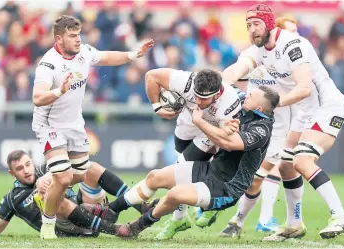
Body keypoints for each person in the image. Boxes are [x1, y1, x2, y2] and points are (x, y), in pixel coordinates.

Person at [222, 4, 344, 241]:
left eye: (257, 24)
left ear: (270, 24)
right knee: (285, 166)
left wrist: (274, 102)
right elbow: (236, 70)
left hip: (327, 106)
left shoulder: (294, 45)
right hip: (305, 114)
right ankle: (294, 224)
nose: (252, 30)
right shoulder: (258, 49)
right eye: (248, 26)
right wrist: (217, 86)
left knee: (302, 160)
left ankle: (340, 215)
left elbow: (304, 88)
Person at [31, 15, 153, 239]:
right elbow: (38, 98)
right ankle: (47, 224)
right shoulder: (48, 64)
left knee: (78, 175)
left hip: (75, 123)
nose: (78, 40)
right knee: (65, 177)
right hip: (50, 125)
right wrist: (59, 91)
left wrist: (133, 54)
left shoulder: (83, 52)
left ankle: (47, 192)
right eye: (72, 36)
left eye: (78, 35)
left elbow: (106, 56)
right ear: (59, 39)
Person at [113, 86, 279, 238]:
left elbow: (229, 143)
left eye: (251, 96)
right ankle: (112, 210)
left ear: (259, 108)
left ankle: (136, 227)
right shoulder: (242, 103)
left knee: (175, 194)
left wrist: (199, 121)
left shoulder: (261, 129)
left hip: (226, 187)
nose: (246, 95)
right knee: (154, 177)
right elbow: (224, 81)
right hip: (210, 169)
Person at [120, 68, 244, 240]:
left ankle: (179, 218)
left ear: (216, 95)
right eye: (196, 96)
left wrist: (200, 122)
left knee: (180, 170)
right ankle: (193, 213)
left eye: (204, 98)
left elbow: (225, 140)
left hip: (209, 133)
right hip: (184, 127)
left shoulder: (230, 102)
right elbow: (151, 76)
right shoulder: (186, 81)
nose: (198, 101)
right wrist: (157, 107)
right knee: (181, 170)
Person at [218, 15, 297, 237]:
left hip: (282, 128)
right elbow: (239, 71)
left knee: (264, 174)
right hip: (256, 124)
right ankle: (235, 217)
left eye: (296, 32)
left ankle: (244, 221)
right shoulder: (258, 54)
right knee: (253, 176)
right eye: (290, 31)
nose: (295, 36)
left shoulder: (297, 61)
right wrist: (225, 84)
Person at [0, 150, 119, 237]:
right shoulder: (11, 199)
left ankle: (132, 202)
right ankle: (116, 229)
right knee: (49, 198)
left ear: (32, 163)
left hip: (85, 213)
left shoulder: (43, 170)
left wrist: (49, 176)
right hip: (65, 228)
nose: (26, 170)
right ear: (11, 173)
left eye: (27, 164)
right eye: (19, 168)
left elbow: (71, 168)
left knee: (90, 167)